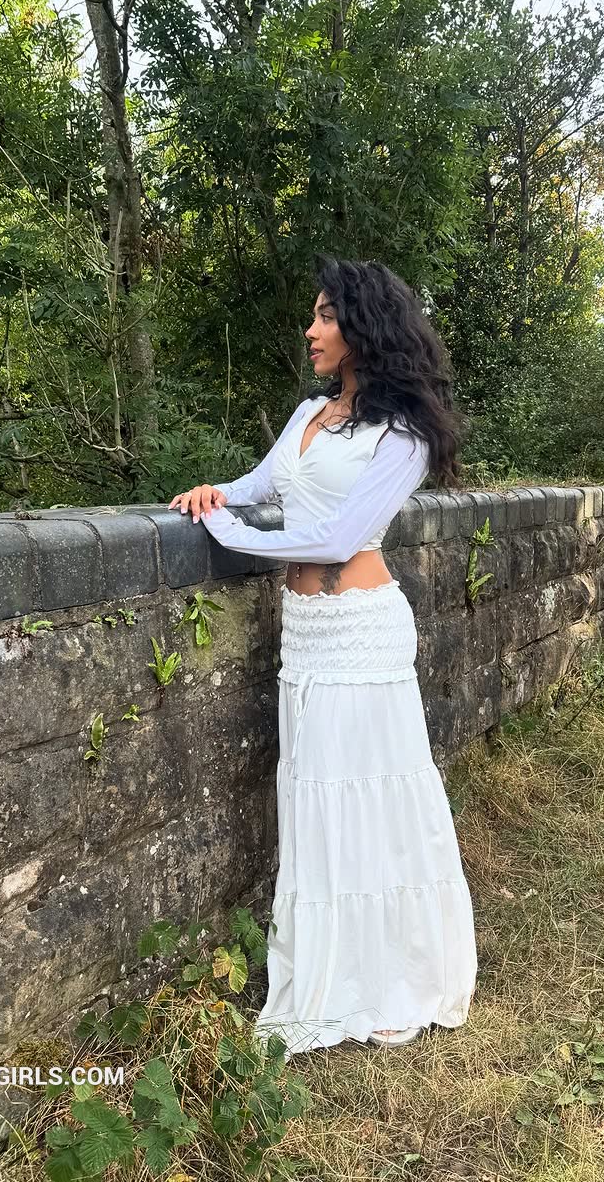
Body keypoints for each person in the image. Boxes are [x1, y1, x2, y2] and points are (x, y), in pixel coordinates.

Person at [167, 255, 478, 1057]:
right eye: (313, 315)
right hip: (305, 630)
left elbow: (340, 536)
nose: (311, 330)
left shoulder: (403, 436)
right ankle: (334, 971)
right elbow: (262, 484)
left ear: (363, 327)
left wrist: (230, 532)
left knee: (372, 797)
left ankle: (396, 977)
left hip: (362, 630)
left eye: (326, 316)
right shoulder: (308, 413)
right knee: (317, 796)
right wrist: (213, 495)